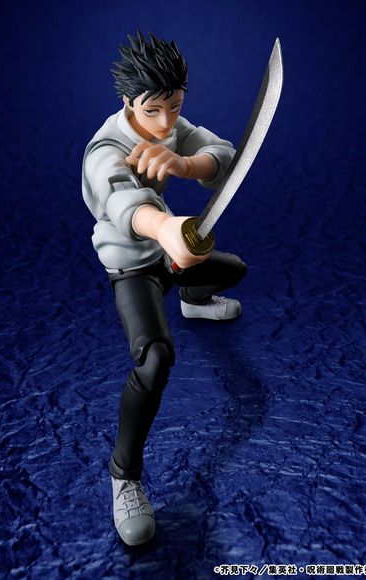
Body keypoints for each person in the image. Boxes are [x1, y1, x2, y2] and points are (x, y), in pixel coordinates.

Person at [81, 31, 247, 546]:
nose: (166, 122)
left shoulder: (171, 125)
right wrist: (166, 228)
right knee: (155, 359)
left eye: (176, 106)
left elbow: (224, 154)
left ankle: (194, 301)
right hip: (133, 265)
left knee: (233, 270)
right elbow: (123, 203)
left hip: (168, 254)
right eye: (153, 110)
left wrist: (184, 164)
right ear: (128, 101)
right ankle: (124, 477)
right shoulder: (105, 150)